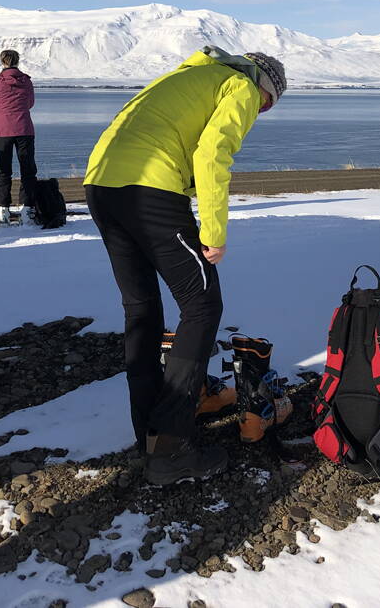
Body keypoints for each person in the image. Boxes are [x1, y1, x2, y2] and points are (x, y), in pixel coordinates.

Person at [83, 46, 287, 485]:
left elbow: (179, 142)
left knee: (142, 311)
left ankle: (150, 436)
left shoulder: (189, 76)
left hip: (101, 185)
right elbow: (213, 152)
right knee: (202, 305)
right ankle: (171, 446)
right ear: (265, 87)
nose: (260, 110)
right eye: (267, 104)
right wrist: (213, 231)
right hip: (149, 189)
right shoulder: (244, 85)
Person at [0, 49, 38, 225]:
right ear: (17, 61)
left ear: (2, 61)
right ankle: (27, 209)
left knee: (3, 170)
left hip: (2, 130)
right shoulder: (26, 81)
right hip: (24, 128)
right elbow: (30, 103)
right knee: (28, 170)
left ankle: (3, 210)